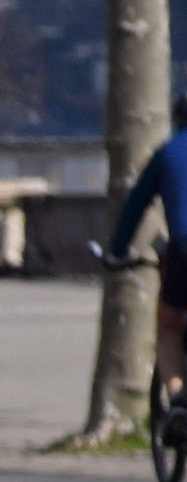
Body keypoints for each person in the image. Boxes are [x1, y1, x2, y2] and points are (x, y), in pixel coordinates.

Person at [107, 93, 187, 446]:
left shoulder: (168, 153)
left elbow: (135, 206)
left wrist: (116, 252)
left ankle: (179, 399)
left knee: (169, 328)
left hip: (183, 249)